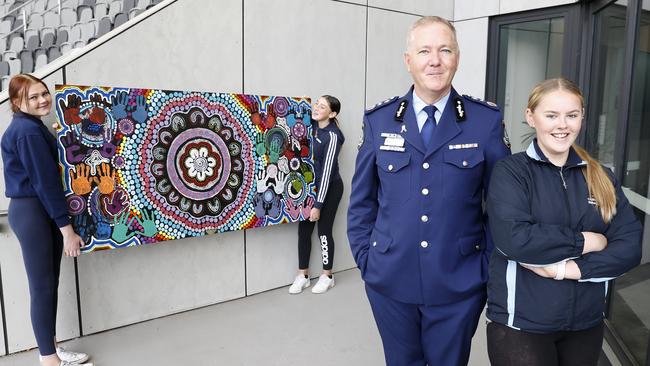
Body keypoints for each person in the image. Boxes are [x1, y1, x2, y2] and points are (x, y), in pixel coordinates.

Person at [347, 16, 511, 365]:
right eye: (424, 51)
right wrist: (368, 263)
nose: (434, 60)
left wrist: (485, 270)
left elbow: (502, 208)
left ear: (457, 57)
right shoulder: (380, 120)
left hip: (459, 282)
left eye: (444, 50)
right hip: (389, 280)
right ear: (409, 60)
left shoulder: (485, 122)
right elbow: (361, 203)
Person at [485, 78, 642, 366]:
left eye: (571, 115)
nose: (562, 125)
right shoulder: (512, 172)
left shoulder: (601, 176)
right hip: (522, 325)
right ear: (531, 117)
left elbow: (630, 247)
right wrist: (589, 241)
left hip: (586, 323)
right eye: (551, 115)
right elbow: (516, 239)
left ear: (582, 116)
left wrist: (566, 270)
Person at [1, 74, 93, 366]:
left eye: (44, 94)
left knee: (48, 283)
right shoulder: (27, 132)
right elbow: (45, 183)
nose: (42, 100)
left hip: (36, 210)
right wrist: (67, 230)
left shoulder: (29, 127)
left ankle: (50, 348)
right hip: (34, 211)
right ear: (17, 102)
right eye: (33, 97)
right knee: (42, 285)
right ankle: (49, 360)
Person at [289, 95, 345, 294]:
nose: (316, 108)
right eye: (316, 104)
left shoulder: (333, 136)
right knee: (304, 230)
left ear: (332, 113)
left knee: (323, 231)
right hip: (310, 187)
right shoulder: (310, 125)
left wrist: (318, 205)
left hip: (329, 189)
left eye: (322, 107)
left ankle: (327, 275)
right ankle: (302, 275)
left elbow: (328, 173)